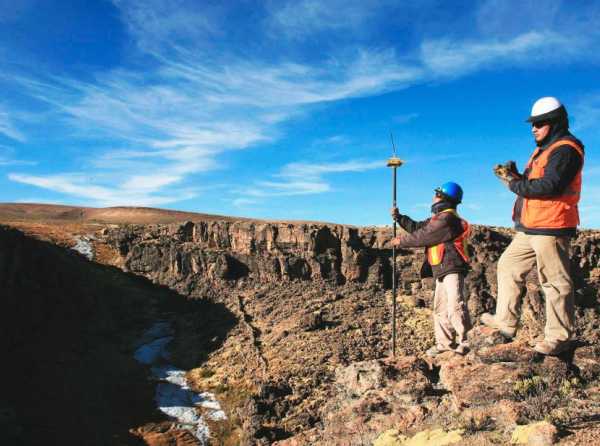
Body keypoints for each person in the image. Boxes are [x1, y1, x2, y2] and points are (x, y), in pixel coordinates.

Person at [481, 96, 585, 356]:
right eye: (533, 124)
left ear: (556, 122)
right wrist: (517, 176)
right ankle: (505, 323)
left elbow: (550, 186)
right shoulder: (544, 150)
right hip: (531, 226)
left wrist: (514, 184)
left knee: (555, 281)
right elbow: (536, 182)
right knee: (508, 265)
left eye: (540, 123)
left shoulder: (566, 149)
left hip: (552, 225)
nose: (534, 128)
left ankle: (559, 336)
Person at [391, 182, 471, 356]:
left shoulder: (447, 219)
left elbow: (425, 235)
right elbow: (418, 227)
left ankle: (466, 342)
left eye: (436, 194)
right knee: (441, 309)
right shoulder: (439, 218)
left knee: (455, 305)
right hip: (442, 268)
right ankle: (445, 345)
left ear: (443, 197)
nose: (433, 198)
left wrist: (401, 241)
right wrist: (400, 218)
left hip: (452, 266)